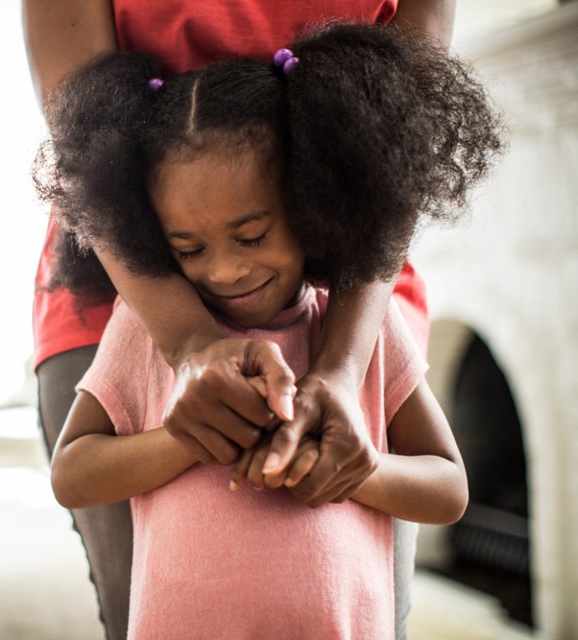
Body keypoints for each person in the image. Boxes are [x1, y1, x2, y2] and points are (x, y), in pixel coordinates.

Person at [40, 22, 501, 639]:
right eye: (188, 248)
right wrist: (184, 438)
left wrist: (361, 471)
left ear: (315, 206)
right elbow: (73, 473)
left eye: (252, 236)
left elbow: (448, 487)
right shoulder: (141, 331)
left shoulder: (369, 327)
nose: (225, 270)